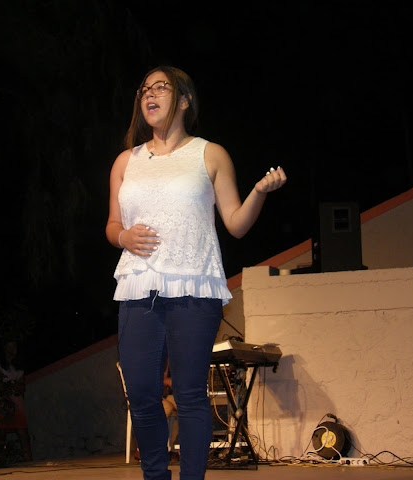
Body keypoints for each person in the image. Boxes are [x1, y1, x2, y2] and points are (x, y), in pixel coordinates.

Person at [106, 66, 286, 480]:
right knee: (142, 394)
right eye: (144, 90)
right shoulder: (125, 162)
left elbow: (236, 224)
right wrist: (123, 237)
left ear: (185, 100)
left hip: (194, 285)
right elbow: (112, 225)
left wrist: (259, 192)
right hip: (138, 285)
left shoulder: (210, 154)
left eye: (161, 87)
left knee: (189, 395)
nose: (149, 95)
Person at [0, 340, 33, 462]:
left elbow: (22, 386)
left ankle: (28, 458)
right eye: (10, 346)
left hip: (16, 401)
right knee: (1, 430)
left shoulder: (19, 368)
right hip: (1, 401)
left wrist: (16, 388)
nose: (13, 350)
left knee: (22, 430)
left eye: (14, 346)